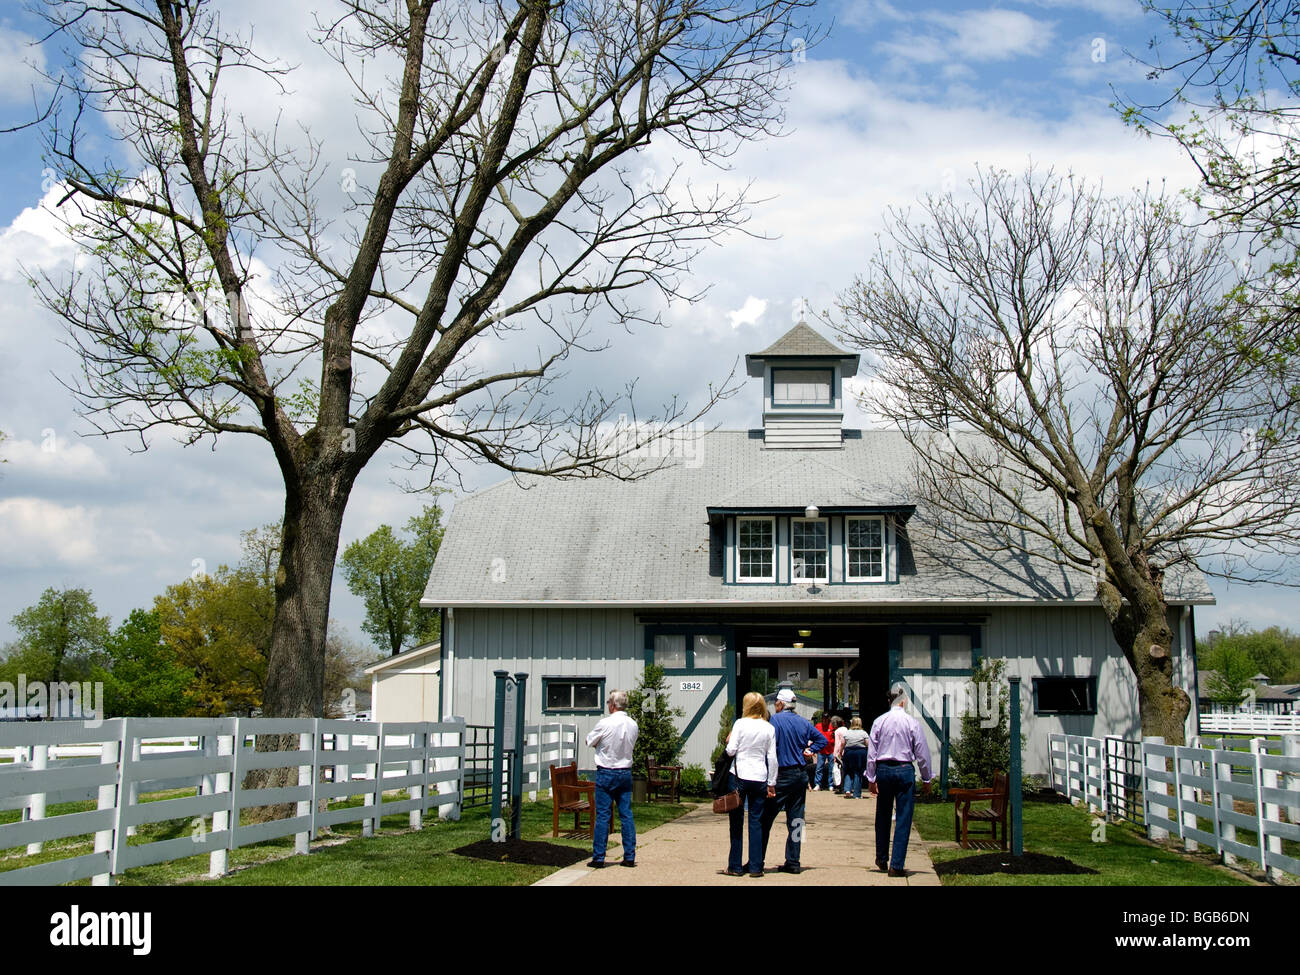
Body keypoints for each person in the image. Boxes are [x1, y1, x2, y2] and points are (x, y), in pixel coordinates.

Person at [867, 683, 933, 877]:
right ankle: (896, 864)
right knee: (903, 817)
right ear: (903, 701)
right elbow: (921, 752)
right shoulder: (912, 723)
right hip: (904, 768)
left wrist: (871, 777)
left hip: (884, 768)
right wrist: (927, 777)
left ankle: (881, 856)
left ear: (889, 700)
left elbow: (872, 752)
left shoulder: (880, 721)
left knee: (883, 814)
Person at [760, 688, 828, 874]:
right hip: (799, 775)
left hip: (780, 775)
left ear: (781, 704)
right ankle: (794, 861)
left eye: (776, 703)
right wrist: (811, 750)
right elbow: (822, 740)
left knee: (765, 819)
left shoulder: (773, 721)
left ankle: (758, 859)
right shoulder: (803, 723)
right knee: (797, 821)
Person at [724, 691, 778, 877]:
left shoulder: (740, 724)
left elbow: (731, 751)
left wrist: (730, 741)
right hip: (760, 776)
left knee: (736, 822)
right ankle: (756, 866)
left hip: (739, 775)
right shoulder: (768, 728)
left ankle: (735, 866)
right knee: (756, 822)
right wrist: (772, 782)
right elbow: (772, 758)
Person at [586, 688, 639, 868]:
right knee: (626, 814)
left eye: (609, 702)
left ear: (613, 705)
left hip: (606, 770)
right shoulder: (633, 724)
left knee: (603, 815)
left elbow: (589, 741)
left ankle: (599, 857)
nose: (608, 705)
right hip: (625, 771)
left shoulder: (604, 723)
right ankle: (629, 855)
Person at [835, 716, 870, 798]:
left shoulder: (847, 732)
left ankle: (847, 789)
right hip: (860, 753)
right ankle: (857, 794)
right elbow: (868, 744)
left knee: (847, 771)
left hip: (849, 752)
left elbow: (842, 743)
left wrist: (840, 752)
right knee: (858, 772)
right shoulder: (864, 733)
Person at [812, 711, 836, 791]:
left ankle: (831, 784)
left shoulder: (832, 726)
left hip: (831, 750)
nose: (825, 720)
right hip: (821, 751)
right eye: (823, 718)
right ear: (822, 719)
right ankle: (817, 784)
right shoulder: (818, 726)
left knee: (831, 768)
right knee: (819, 768)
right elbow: (814, 736)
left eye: (826, 718)